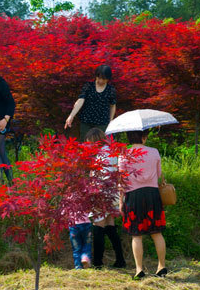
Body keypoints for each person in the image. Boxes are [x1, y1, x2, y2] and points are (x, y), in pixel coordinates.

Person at [119, 130, 166, 279]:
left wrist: (120, 202)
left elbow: (121, 181)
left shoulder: (124, 154)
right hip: (153, 194)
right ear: (144, 137)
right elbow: (159, 176)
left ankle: (139, 269)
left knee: (136, 235)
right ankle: (161, 266)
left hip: (133, 196)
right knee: (156, 232)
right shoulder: (154, 152)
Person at [85, 128, 126, 269]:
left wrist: (94, 192)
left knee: (98, 226)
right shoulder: (112, 151)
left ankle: (97, 262)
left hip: (101, 193)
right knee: (110, 225)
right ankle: (120, 260)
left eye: (89, 142)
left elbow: (100, 177)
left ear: (94, 140)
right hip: (113, 193)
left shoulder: (100, 155)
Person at [64, 65, 116, 139]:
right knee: (85, 144)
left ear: (108, 79)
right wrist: (71, 116)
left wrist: (111, 121)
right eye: (99, 78)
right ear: (96, 76)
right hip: (86, 121)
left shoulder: (111, 90)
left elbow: (112, 105)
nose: (101, 81)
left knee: (101, 145)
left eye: (104, 79)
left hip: (102, 123)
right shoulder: (88, 86)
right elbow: (80, 100)